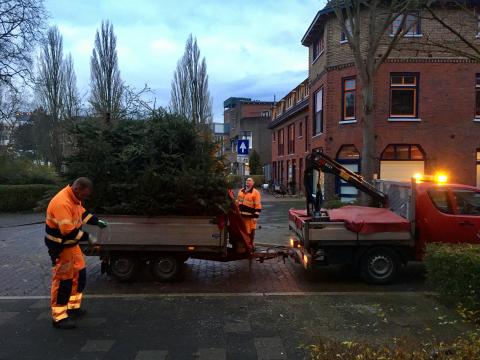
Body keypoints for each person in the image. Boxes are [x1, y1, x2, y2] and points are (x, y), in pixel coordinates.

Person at [44, 177, 107, 329]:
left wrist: (96, 221)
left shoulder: (74, 198)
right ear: (77, 188)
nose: (85, 198)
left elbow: (82, 214)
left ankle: (72, 308)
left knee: (80, 275)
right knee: (63, 281)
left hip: (71, 246)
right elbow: (67, 231)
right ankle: (59, 317)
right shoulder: (62, 202)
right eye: (84, 196)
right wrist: (88, 237)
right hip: (60, 247)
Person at [236, 177, 262, 245]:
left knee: (250, 231)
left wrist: (256, 217)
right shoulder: (241, 191)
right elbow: (238, 202)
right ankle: (243, 246)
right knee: (242, 231)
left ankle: (250, 245)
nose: (247, 181)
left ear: (253, 183)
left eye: (249, 180)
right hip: (241, 216)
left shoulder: (255, 193)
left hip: (250, 217)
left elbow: (258, 205)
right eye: (247, 180)